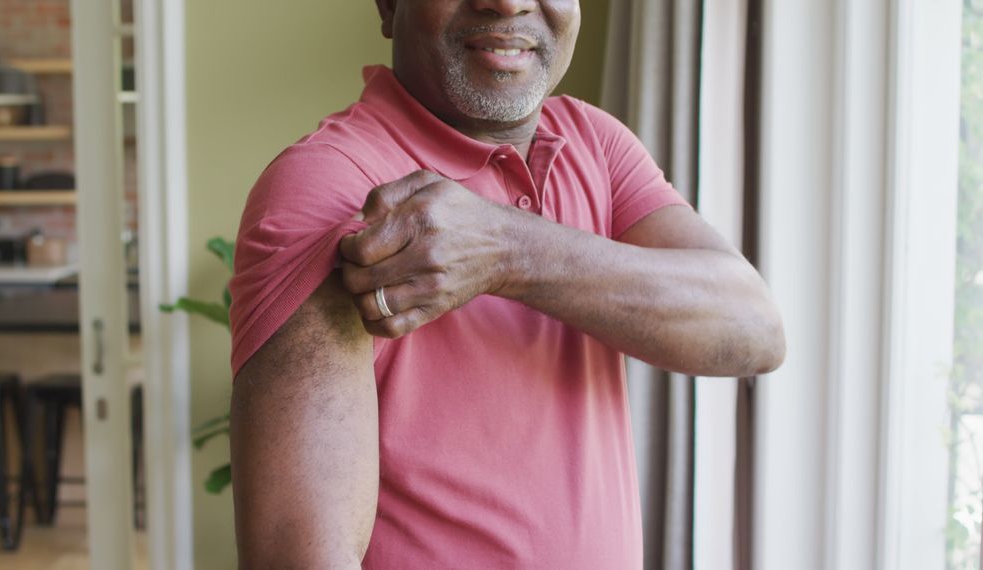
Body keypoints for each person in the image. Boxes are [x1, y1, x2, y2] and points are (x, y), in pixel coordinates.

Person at [227, 1, 785, 568]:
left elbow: (753, 330)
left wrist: (508, 249)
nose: (508, 1)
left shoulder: (595, 142)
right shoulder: (330, 186)